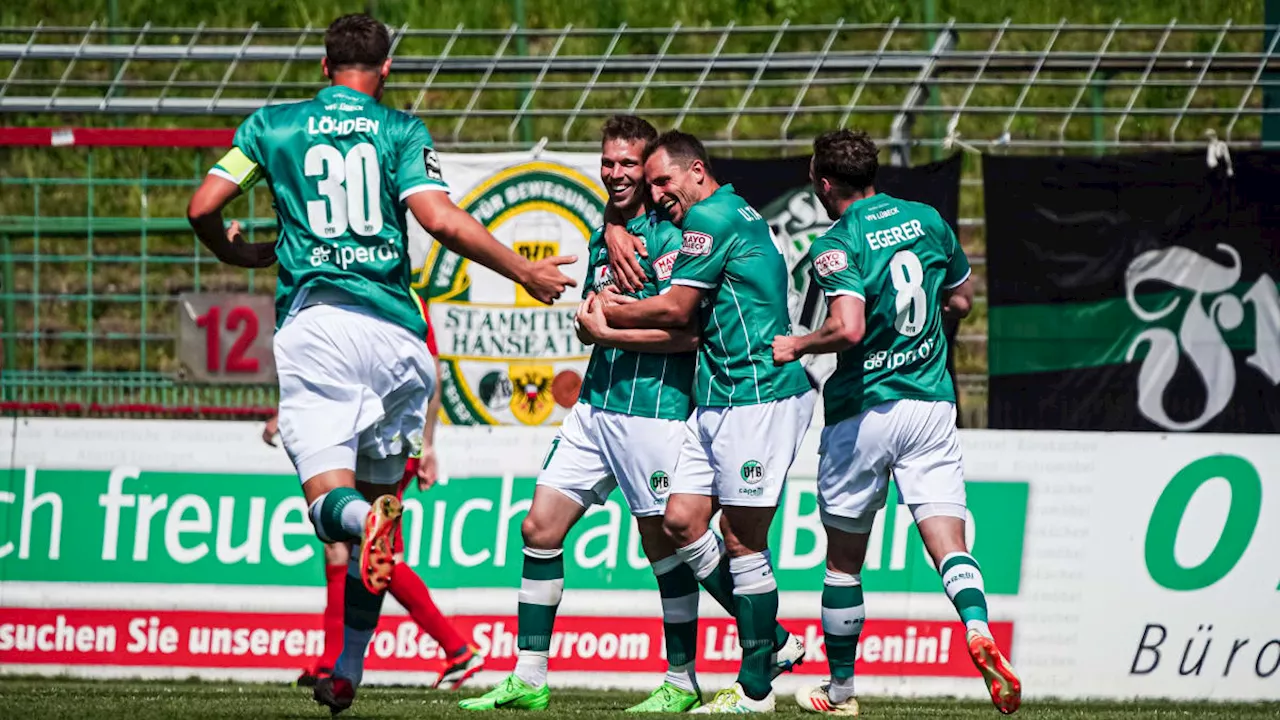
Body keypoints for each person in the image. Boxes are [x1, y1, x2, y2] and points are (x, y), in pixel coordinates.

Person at [186, 13, 573, 714]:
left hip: (322, 328)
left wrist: (236, 251)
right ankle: (349, 669)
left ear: (324, 64)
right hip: (400, 341)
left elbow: (203, 205)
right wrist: (523, 268)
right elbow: (440, 220)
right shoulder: (401, 132)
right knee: (380, 515)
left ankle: (360, 534)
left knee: (334, 512)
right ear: (386, 69)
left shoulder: (270, 126)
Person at [458, 117, 804, 715]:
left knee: (668, 544)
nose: (617, 174)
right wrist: (598, 298)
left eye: (630, 166)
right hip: (595, 404)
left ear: (653, 173)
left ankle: (696, 672)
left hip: (655, 410)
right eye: (609, 163)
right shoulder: (610, 233)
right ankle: (530, 674)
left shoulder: (682, 230)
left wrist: (607, 322)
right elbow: (595, 312)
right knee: (538, 529)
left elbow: (687, 328)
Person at [772, 129, 1020, 716]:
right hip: (931, 402)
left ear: (824, 183)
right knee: (947, 541)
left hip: (864, 410)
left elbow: (850, 328)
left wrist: (799, 343)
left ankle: (841, 692)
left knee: (842, 562)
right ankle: (979, 629)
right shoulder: (928, 218)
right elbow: (962, 298)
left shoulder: (836, 243)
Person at [594, 130, 817, 714]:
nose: (658, 193)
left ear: (696, 170)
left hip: (758, 395)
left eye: (664, 181)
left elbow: (676, 309)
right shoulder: (728, 209)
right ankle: (774, 643)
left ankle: (755, 689)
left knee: (744, 540)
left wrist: (607, 315)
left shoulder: (712, 218)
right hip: (718, 396)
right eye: (652, 185)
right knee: (682, 520)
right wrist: (614, 224)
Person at [265, 291, 484, 692]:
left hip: (386, 432)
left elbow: (431, 373)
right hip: (359, 423)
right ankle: (336, 660)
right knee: (348, 547)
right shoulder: (356, 290)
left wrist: (427, 445)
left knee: (368, 547)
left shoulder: (397, 297)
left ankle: (455, 649)